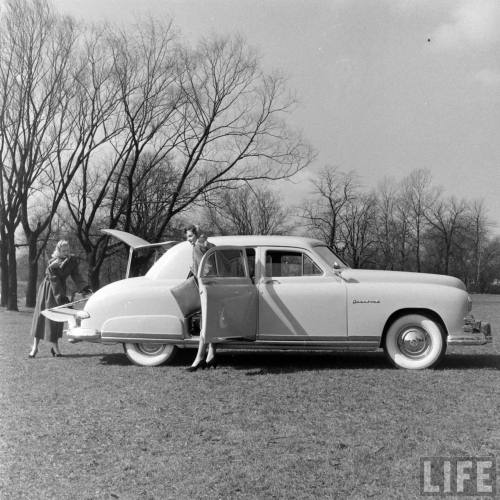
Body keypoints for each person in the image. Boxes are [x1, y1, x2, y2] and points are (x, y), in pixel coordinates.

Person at [28, 240, 90, 358]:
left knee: (55, 319)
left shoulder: (72, 261)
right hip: (48, 288)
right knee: (41, 316)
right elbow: (54, 280)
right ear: (58, 250)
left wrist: (84, 288)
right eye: (63, 251)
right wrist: (60, 297)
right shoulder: (53, 262)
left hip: (60, 288)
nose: (66, 253)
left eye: (68, 250)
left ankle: (55, 347)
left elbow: (76, 276)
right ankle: (35, 347)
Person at [184, 225, 217, 371]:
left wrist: (197, 275)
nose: (188, 239)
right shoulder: (208, 245)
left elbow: (207, 267)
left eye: (190, 236)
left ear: (196, 235)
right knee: (211, 323)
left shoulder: (197, 247)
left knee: (205, 325)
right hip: (213, 286)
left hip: (204, 286)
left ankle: (198, 359)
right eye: (187, 237)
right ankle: (211, 356)